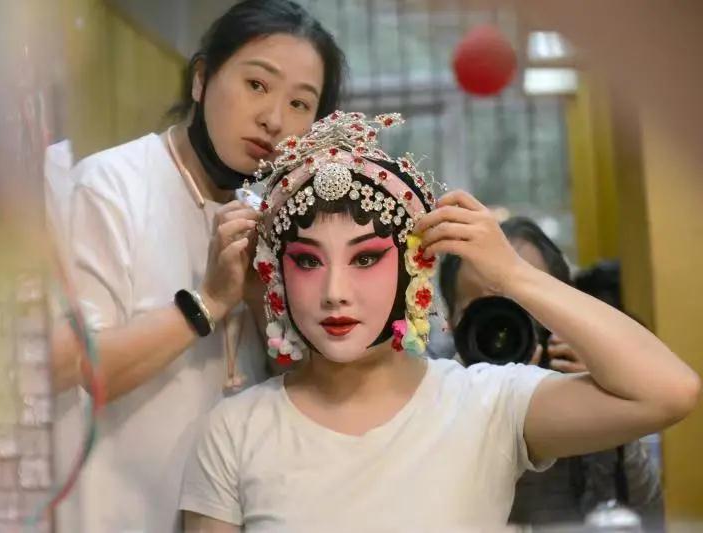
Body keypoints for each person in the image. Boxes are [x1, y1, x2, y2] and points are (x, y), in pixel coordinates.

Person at [178, 112, 699, 532]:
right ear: (277, 274)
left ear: (413, 267)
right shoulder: (235, 430)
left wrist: (512, 275)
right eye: (308, 261)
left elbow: (671, 392)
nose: (335, 292)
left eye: (365, 258)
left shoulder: (486, 405)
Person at [50, 2, 347, 531]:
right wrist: (206, 303)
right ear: (201, 79)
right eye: (257, 85)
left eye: (301, 103)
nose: (274, 119)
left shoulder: (278, 220)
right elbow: (75, 366)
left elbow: (300, 392)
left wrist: (261, 302)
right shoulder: (109, 187)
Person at [439, 217, 664, 528]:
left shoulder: (584, 382)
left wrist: (606, 394)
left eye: (524, 303)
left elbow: (646, 514)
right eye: (484, 310)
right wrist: (494, 410)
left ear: (563, 311)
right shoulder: (438, 403)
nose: (505, 326)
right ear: (451, 322)